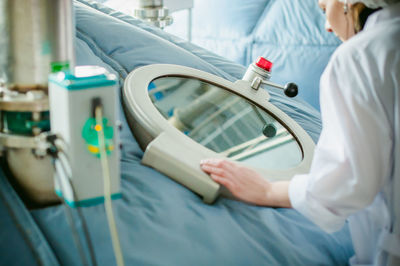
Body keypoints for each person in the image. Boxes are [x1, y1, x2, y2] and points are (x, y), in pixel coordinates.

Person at [200, 0, 400, 265]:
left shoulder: (361, 56)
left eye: (323, 8)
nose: (328, 27)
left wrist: (268, 191)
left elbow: (346, 185)